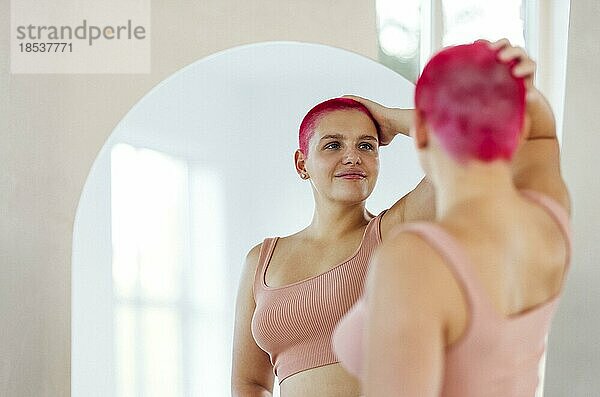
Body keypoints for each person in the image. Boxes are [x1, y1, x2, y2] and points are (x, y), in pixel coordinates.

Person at [332, 39, 571, 397]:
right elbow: (542, 135)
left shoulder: (416, 261)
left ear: (422, 130)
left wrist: (394, 118)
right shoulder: (550, 219)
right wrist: (523, 93)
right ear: (518, 126)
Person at [231, 97, 435, 397]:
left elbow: (467, 150)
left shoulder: (394, 232)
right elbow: (250, 384)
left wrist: (391, 118)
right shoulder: (262, 259)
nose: (352, 157)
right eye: (333, 145)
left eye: (366, 146)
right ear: (303, 164)